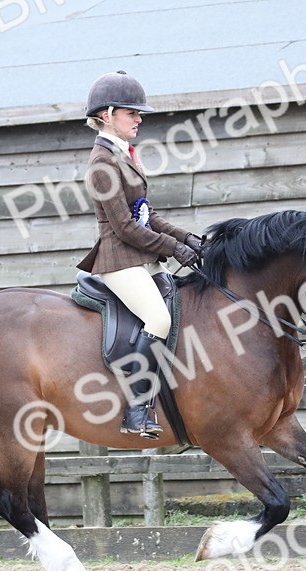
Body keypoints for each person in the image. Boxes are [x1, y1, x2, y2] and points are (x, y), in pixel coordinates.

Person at [77, 70, 203, 439]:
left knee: (182, 306)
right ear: (107, 115)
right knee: (158, 319)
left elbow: (146, 215)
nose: (139, 119)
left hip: (141, 258)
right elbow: (124, 227)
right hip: (119, 260)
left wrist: (189, 239)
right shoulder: (102, 163)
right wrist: (174, 248)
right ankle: (135, 409)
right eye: (131, 113)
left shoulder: (125, 155)